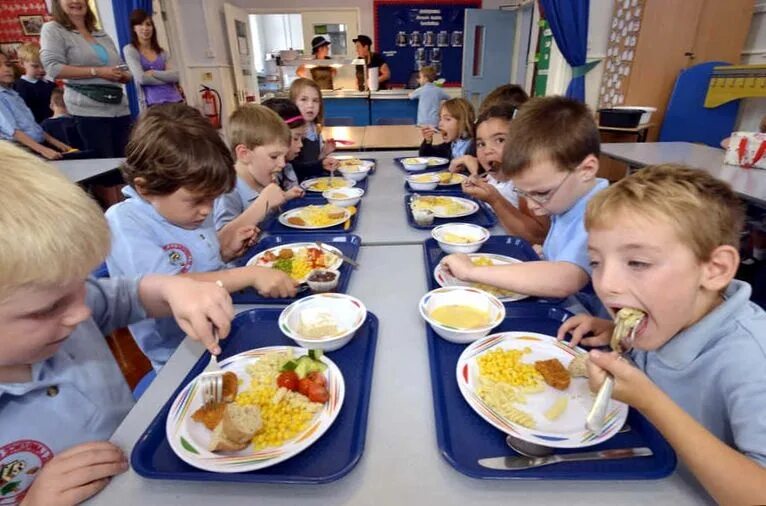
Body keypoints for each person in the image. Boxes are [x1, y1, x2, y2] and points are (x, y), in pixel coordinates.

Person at [0, 141, 234, 506]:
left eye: (81, 286)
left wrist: (174, 287)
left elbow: (122, 295)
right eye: (48, 308)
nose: (81, 313)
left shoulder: (68, 306)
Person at [557, 165, 766, 505]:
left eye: (637, 263)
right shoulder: (668, 316)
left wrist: (651, 401)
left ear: (714, 270)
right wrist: (618, 332)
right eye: (595, 262)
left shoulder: (753, 357)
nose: (606, 284)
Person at [105, 104, 297, 370]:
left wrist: (224, 250)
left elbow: (199, 261)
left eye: (212, 198)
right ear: (146, 188)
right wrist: (250, 274)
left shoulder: (189, 207)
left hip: (229, 323)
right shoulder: (124, 223)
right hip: (180, 355)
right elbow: (168, 288)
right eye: (197, 201)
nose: (207, 210)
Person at [440, 96, 607, 303]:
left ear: (587, 170)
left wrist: (471, 271)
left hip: (580, 311)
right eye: (523, 193)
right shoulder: (566, 198)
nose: (532, 206)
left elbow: (566, 278)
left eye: (541, 193)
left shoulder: (601, 213)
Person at [40, 0, 132, 159]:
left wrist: (125, 75)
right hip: (88, 110)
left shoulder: (100, 33)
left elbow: (123, 67)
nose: (76, 1)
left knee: (127, 162)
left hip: (119, 107)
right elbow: (53, 68)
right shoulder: (53, 29)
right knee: (105, 169)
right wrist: (97, 72)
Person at [449, 104, 549, 245]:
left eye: (500, 140)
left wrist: (495, 200)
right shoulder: (493, 177)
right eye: (481, 144)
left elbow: (539, 236)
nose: (487, 150)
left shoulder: (527, 183)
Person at [213, 104, 303, 238]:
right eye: (274, 156)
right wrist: (263, 204)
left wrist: (284, 196)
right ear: (244, 154)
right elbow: (223, 243)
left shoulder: (262, 177)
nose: (282, 164)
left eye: (283, 156)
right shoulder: (228, 190)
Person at [0, 52, 75, 160]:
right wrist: (42, 150)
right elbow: (13, 131)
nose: (6, 69)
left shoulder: (12, 94)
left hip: (32, 147)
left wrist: (57, 143)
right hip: (17, 151)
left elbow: (32, 126)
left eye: (8, 65)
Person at [123, 9, 183, 111]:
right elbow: (141, 78)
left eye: (148, 24)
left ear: (153, 27)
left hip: (176, 100)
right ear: (134, 28)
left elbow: (176, 76)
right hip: (153, 104)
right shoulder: (130, 50)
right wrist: (166, 79)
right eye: (140, 25)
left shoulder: (162, 52)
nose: (145, 28)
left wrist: (153, 73)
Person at [288, 77, 339, 181]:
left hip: (314, 181)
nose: (310, 105)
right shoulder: (289, 132)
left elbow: (314, 162)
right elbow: (292, 169)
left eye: (315, 101)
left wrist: (324, 153)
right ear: (292, 102)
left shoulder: (315, 128)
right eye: (304, 99)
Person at [262, 97, 309, 192]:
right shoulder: (266, 175)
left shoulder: (287, 165)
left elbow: (299, 168)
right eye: (295, 138)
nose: (301, 145)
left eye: (302, 139)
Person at [13, 42, 56, 123]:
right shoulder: (18, 86)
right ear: (22, 63)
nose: (41, 70)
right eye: (35, 66)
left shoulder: (51, 85)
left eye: (44, 66)